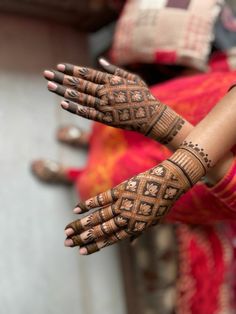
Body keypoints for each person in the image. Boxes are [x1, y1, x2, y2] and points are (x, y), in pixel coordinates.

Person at [43, 59, 236, 255]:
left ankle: (75, 174)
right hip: (222, 111)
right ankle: (90, 139)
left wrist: (163, 126)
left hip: (224, 180)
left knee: (131, 182)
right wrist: (162, 124)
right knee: (128, 111)